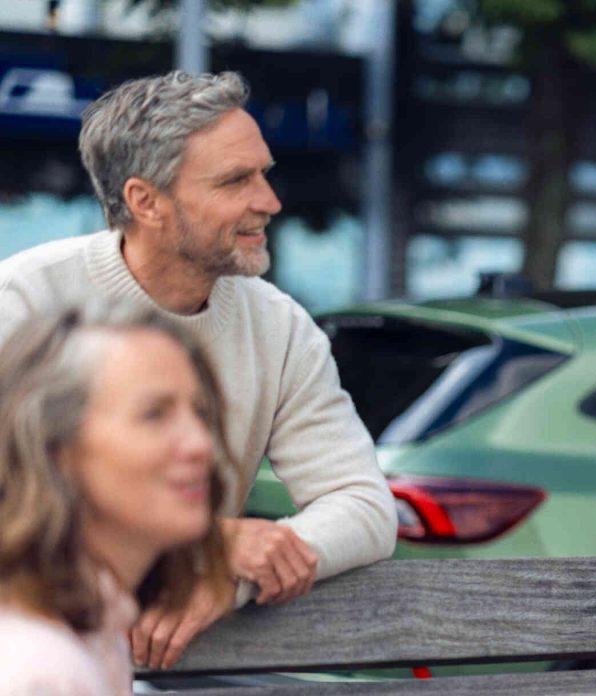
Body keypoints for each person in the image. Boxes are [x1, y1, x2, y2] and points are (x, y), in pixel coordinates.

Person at [0, 71, 397, 669]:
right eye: (236, 180)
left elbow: (365, 506)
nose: (270, 200)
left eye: (263, 172)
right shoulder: (23, 302)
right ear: (145, 201)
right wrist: (200, 549)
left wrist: (227, 578)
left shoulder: (280, 327)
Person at [0, 304, 233, 694]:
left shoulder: (92, 629)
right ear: (56, 447)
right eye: (154, 415)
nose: (200, 444)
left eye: (200, 413)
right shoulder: (38, 668)